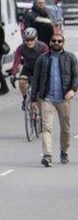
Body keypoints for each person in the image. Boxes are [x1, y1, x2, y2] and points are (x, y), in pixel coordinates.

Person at [29, 33, 78, 167]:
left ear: (63, 43)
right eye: (54, 41)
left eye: (59, 41)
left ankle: (64, 151)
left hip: (64, 99)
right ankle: (47, 155)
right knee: (46, 128)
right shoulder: (42, 59)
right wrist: (33, 99)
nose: (56, 43)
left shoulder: (70, 58)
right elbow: (36, 80)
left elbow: (76, 76)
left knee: (66, 129)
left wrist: (73, 90)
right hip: (47, 99)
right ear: (50, 42)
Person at [11, 28, 50, 108]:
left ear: (36, 39)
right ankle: (25, 99)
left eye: (31, 40)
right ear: (24, 40)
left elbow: (48, 61)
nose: (29, 42)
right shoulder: (21, 48)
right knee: (22, 81)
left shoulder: (43, 46)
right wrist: (13, 74)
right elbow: (16, 61)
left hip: (40, 69)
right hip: (27, 68)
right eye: (27, 40)